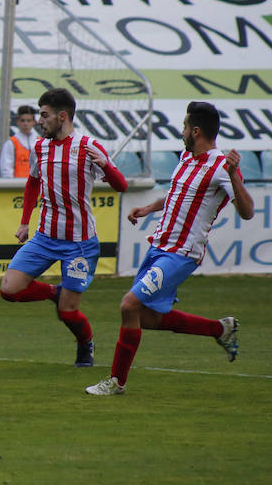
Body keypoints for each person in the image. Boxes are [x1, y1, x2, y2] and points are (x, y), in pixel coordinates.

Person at [85, 101, 255, 396]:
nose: (182, 131)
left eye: (186, 127)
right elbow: (177, 193)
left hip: (181, 254)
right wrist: (148, 207)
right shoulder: (186, 158)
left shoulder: (220, 168)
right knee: (143, 317)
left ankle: (117, 382)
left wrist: (233, 174)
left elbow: (247, 211)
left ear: (196, 131)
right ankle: (220, 329)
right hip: (160, 247)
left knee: (128, 305)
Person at [0, 88, 128, 367]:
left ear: (62, 116)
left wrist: (107, 167)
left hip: (79, 243)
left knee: (68, 313)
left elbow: (122, 186)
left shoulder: (88, 146)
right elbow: (33, 181)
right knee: (9, 290)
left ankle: (85, 344)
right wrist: (24, 222)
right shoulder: (40, 147)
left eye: (44, 116)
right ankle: (53, 292)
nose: (39, 121)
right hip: (45, 237)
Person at [0, 105, 40, 178]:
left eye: (29, 121)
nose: (25, 124)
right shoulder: (11, 143)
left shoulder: (39, 141)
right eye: (22, 120)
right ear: (17, 122)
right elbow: (6, 168)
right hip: (18, 184)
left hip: (36, 185)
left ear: (33, 122)